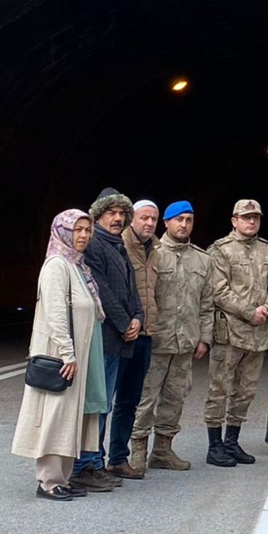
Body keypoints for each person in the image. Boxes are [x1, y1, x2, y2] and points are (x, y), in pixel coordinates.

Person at [11, 209, 106, 500]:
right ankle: (49, 482)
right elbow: (55, 314)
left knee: (70, 417)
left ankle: (63, 477)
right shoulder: (56, 265)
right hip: (62, 356)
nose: (83, 236)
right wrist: (68, 353)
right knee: (56, 415)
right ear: (62, 232)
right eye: (77, 230)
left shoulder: (77, 266)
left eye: (87, 230)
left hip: (77, 355)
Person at [72, 188, 145, 491]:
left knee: (105, 403)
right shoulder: (95, 245)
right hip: (103, 338)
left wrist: (138, 316)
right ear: (98, 216)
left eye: (121, 214)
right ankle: (83, 466)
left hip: (117, 340)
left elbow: (131, 288)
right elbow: (99, 288)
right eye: (110, 213)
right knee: (95, 405)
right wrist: (124, 321)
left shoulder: (118, 246)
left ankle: (96, 462)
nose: (117, 218)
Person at [205, 199, 268, 467]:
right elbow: (218, 290)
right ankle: (214, 445)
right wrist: (249, 311)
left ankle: (232, 441)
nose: (251, 222)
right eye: (246, 217)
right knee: (220, 388)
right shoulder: (221, 250)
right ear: (234, 220)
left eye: (256, 218)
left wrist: (267, 308)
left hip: (258, 333)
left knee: (246, 391)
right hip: (230, 331)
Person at [134, 200, 212, 472]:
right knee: (145, 397)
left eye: (189, 220)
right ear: (165, 222)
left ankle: (163, 450)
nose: (184, 225)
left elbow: (207, 302)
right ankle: (137, 450)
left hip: (185, 342)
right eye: (178, 219)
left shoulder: (203, 259)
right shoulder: (152, 254)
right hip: (156, 340)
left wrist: (205, 337)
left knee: (175, 397)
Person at [119, 199, 160, 475]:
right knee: (104, 400)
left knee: (130, 400)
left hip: (146, 334)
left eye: (153, 219)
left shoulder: (156, 249)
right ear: (132, 218)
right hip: (121, 334)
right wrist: (124, 323)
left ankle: (119, 458)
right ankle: (92, 460)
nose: (149, 223)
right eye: (144, 218)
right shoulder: (119, 245)